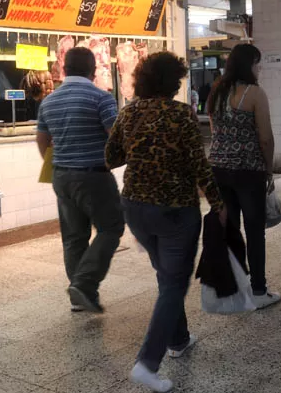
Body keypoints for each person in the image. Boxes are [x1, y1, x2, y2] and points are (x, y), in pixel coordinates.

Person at [105, 52, 227, 393]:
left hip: (135, 208)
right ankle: (147, 363)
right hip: (174, 210)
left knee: (167, 277)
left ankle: (179, 338)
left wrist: (140, 149)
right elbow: (197, 164)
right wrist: (218, 202)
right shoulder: (180, 114)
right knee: (174, 283)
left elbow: (111, 157)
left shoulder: (128, 112)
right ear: (173, 81)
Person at [36, 47, 124, 314]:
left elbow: (41, 139)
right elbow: (116, 136)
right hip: (93, 176)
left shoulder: (49, 101)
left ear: (64, 70)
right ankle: (85, 284)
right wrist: (118, 160)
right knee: (111, 228)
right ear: (93, 70)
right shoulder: (101, 97)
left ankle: (78, 297)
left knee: (74, 238)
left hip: (61, 175)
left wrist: (58, 163)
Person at [207, 44, 281, 309]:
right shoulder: (254, 94)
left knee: (230, 230)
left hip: (218, 168)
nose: (259, 68)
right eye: (257, 63)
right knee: (254, 230)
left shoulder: (216, 91)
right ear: (248, 65)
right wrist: (269, 169)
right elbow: (265, 137)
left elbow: (215, 129)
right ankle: (259, 290)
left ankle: (233, 288)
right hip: (248, 171)